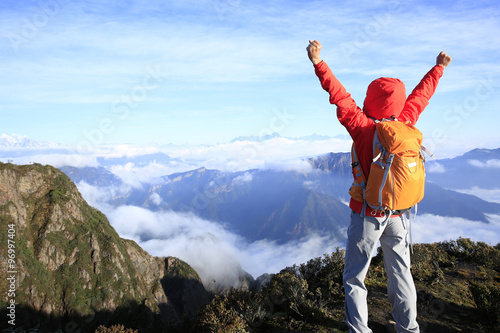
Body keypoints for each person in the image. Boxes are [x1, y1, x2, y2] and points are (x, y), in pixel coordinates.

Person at [306, 40, 451, 333]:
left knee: (354, 276)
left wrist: (318, 62)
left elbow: (339, 96)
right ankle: (408, 328)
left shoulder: (362, 127)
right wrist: (438, 68)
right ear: (399, 101)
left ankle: (359, 330)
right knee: (401, 273)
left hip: (367, 214)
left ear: (370, 99)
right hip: (399, 213)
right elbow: (422, 96)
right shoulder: (406, 122)